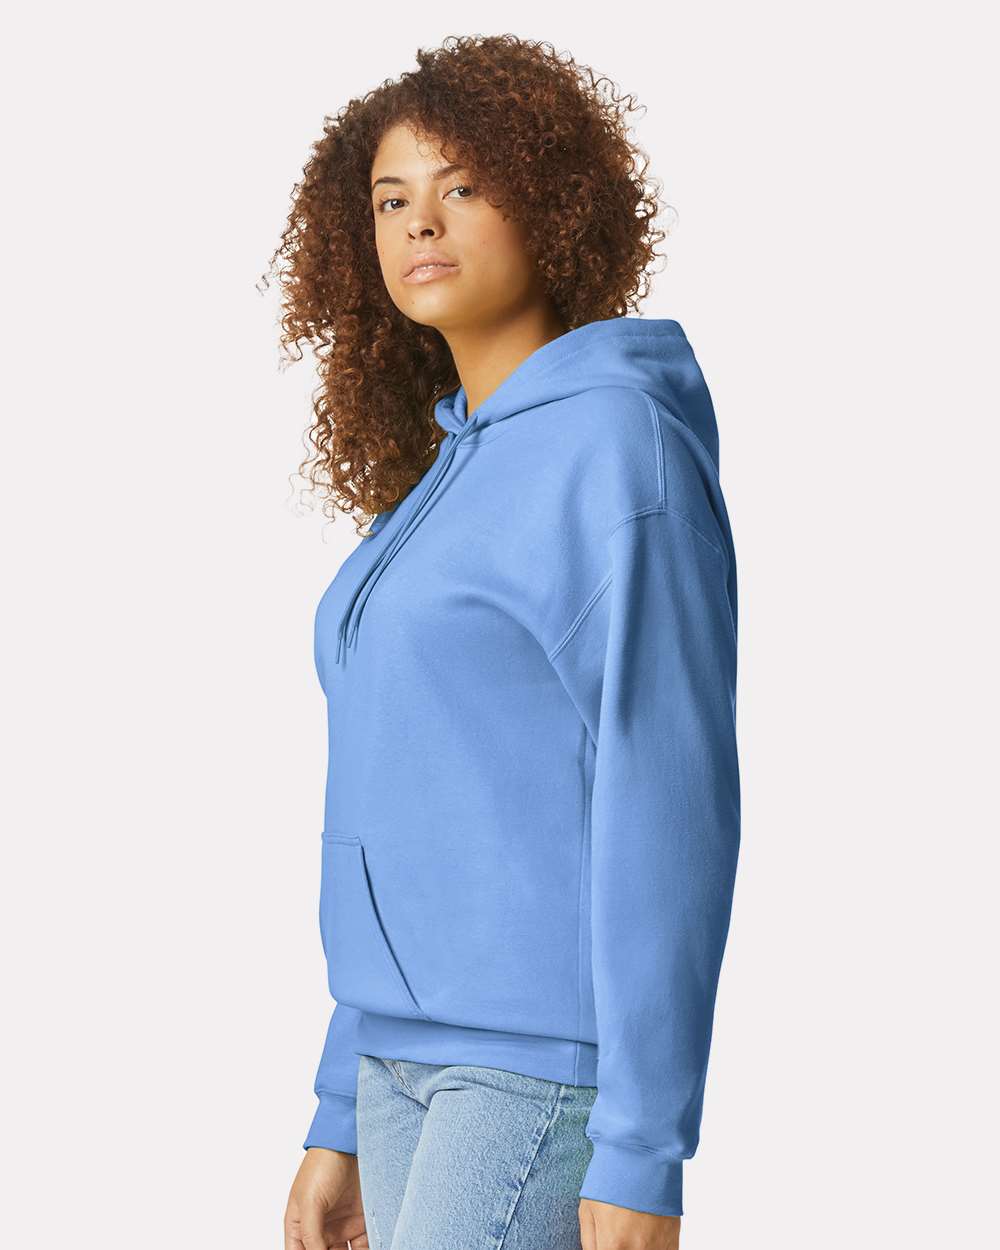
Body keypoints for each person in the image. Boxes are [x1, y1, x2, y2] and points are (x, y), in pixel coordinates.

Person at [270, 33, 741, 1250]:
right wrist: (339, 1104)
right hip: (396, 1061)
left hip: (534, 1072)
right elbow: (401, 797)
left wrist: (643, 1147)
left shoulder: (615, 445)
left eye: (463, 185)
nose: (420, 222)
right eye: (391, 200)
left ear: (552, 201)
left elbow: (670, 800)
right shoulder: (443, 474)